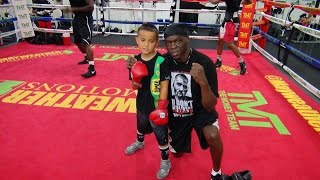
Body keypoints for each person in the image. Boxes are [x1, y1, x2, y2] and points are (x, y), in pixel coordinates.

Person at [127, 24, 234, 180]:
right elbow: (146, 65)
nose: (173, 46)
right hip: (177, 111)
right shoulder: (164, 61)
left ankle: (216, 173)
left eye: (178, 41)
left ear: (188, 40)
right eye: (169, 43)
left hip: (200, 110)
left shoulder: (204, 63)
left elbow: (211, 105)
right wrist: (132, 64)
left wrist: (203, 82)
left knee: (212, 135)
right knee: (177, 153)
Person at [125, 24, 171, 180]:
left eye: (151, 41)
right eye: (143, 40)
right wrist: (137, 79)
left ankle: (165, 161)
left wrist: (162, 106)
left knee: (160, 135)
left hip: (158, 105)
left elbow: (165, 84)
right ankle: (140, 142)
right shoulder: (134, 61)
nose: (146, 44)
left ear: (156, 42)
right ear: (136, 40)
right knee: (141, 125)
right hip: (142, 102)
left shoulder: (161, 61)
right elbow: (133, 86)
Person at [208, 0, 252, 75]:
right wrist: (240, 3)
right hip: (227, 20)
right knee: (220, 41)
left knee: (229, 44)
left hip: (231, 22)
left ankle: (242, 63)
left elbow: (214, 2)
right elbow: (248, 2)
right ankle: (219, 60)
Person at [65, 0, 96, 78]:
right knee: (77, 41)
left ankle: (92, 69)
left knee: (86, 43)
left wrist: (74, 9)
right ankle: (86, 57)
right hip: (77, 18)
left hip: (85, 19)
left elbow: (91, 7)